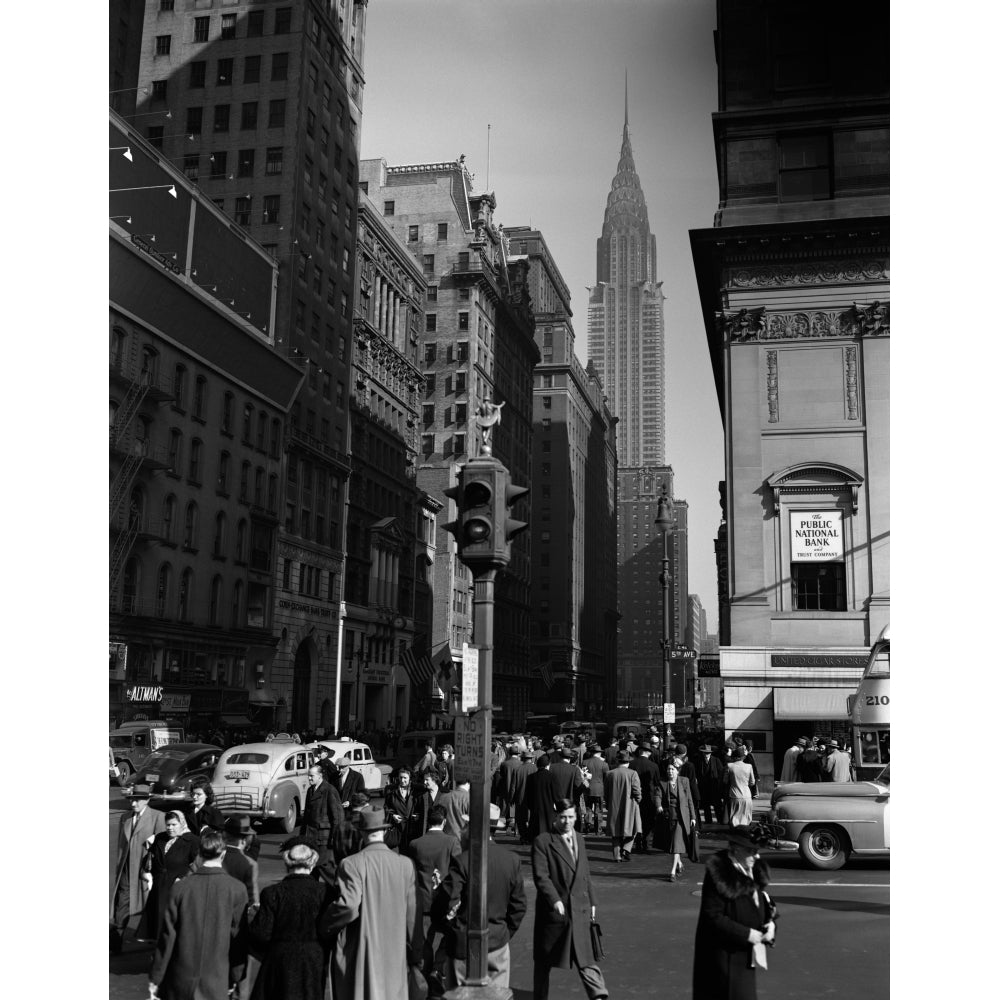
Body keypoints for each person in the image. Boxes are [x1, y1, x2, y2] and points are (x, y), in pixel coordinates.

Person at [319, 808, 419, 1000]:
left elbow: (348, 906)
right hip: (395, 948)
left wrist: (326, 926)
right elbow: (412, 914)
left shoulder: (351, 864)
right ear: (384, 831)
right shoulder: (405, 864)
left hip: (362, 949)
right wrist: (416, 952)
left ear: (362, 832)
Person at [435, 803, 527, 990]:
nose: (461, 831)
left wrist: (451, 929)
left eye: (465, 826)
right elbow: (518, 906)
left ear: (473, 829)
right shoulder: (510, 860)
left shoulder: (462, 862)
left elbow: (444, 902)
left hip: (464, 945)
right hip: (498, 943)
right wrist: (504, 932)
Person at [149, 829, 249, 1000]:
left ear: (200, 854)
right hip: (217, 977)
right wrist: (236, 975)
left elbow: (167, 936)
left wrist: (156, 975)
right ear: (223, 854)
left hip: (181, 975)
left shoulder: (180, 888)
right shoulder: (237, 889)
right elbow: (238, 938)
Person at [531, 799, 608, 1000]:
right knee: (544, 960)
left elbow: (585, 872)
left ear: (576, 816)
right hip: (555, 912)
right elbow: (541, 876)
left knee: (585, 956)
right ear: (556, 816)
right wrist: (554, 900)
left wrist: (592, 900)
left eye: (571, 817)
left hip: (580, 908)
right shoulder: (543, 841)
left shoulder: (580, 838)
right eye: (563, 817)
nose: (567, 821)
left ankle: (598, 994)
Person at [693, 826, 777, 1000]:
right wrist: (748, 934)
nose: (757, 856)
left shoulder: (753, 868)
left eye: (757, 851)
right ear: (736, 848)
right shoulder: (719, 873)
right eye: (752, 851)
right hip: (723, 960)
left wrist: (771, 925)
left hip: (745, 957)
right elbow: (712, 917)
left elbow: (765, 904)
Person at [249, 843, 329, 1000]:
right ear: (312, 863)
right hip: (313, 960)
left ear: (287, 863)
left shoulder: (272, 893)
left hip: (280, 959)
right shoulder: (324, 892)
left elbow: (262, 934)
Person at [407, 803, 460, 997]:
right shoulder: (452, 842)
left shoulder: (415, 844)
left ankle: (426, 972)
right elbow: (458, 869)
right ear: (444, 821)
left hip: (423, 899)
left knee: (424, 940)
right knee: (449, 937)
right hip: (445, 900)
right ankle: (438, 968)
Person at [110, 782, 166, 953]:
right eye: (131, 800)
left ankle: (157, 943)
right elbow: (121, 845)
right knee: (122, 905)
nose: (133, 803)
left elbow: (162, 846)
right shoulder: (125, 817)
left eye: (137, 800)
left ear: (146, 801)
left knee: (152, 906)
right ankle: (115, 944)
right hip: (126, 870)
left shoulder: (158, 817)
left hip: (145, 871)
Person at [141, 809, 200, 943]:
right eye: (168, 824)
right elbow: (151, 858)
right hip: (159, 885)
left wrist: (184, 878)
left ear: (182, 823)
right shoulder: (160, 838)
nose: (170, 828)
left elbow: (196, 865)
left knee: (174, 921)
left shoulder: (192, 841)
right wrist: (147, 872)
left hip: (178, 887)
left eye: (174, 824)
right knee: (158, 921)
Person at [652, 761, 698, 880]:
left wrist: (693, 817)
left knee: (676, 843)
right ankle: (679, 864)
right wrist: (658, 805)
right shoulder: (662, 782)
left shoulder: (684, 781)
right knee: (673, 843)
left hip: (683, 817)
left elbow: (689, 800)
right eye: (668, 769)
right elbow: (657, 795)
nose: (670, 771)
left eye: (673, 769)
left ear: (678, 770)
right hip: (669, 816)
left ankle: (672, 872)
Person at [301, 764, 345, 866]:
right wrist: (302, 836)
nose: (309, 778)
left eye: (312, 776)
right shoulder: (310, 790)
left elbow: (337, 817)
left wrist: (335, 837)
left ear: (320, 775)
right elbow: (306, 816)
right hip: (310, 837)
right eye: (308, 775)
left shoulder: (329, 790)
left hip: (324, 839)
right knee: (311, 868)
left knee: (325, 868)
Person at [605, 748, 641, 862]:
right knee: (634, 827)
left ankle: (617, 856)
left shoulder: (609, 774)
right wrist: (638, 799)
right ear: (628, 761)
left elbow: (606, 792)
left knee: (615, 831)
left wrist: (607, 803)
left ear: (618, 761)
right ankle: (626, 848)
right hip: (630, 805)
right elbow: (636, 791)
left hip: (614, 804)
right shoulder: (633, 773)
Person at [221, 815, 260, 910]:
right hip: (237, 912)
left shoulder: (213, 856)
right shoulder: (249, 864)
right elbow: (253, 900)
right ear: (245, 839)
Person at [629, 742, 660, 852]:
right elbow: (657, 783)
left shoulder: (631, 764)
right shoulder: (654, 766)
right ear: (648, 753)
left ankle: (637, 842)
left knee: (636, 820)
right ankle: (646, 843)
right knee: (648, 821)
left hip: (634, 797)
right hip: (649, 797)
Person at [525, 754, 561, 843]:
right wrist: (559, 807)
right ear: (547, 765)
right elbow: (557, 794)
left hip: (535, 807)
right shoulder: (552, 776)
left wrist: (530, 806)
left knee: (535, 826)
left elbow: (527, 795)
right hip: (548, 807)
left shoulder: (531, 777)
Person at [384, 766, 419, 853]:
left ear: (410, 778)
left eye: (405, 778)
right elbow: (386, 807)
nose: (402, 780)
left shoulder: (415, 790)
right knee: (402, 852)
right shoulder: (391, 791)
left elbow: (420, 806)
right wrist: (393, 816)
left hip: (413, 828)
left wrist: (418, 815)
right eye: (401, 777)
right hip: (399, 828)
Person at [693, 744, 727, 825]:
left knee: (717, 805)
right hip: (704, 787)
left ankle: (720, 820)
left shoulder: (716, 760)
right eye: (705, 753)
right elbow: (696, 773)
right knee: (706, 805)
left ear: (711, 753)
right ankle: (708, 821)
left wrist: (719, 784)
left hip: (714, 787)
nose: (706, 754)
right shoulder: (698, 761)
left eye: (708, 753)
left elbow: (721, 773)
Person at [583, 745, 608, 835]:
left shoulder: (585, 762)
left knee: (588, 808)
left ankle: (587, 826)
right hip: (599, 789)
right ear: (600, 753)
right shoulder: (604, 764)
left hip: (587, 788)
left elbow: (583, 777)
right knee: (598, 809)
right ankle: (598, 829)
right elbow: (606, 778)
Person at [727, 747, 755, 827]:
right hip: (747, 796)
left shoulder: (730, 766)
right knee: (746, 819)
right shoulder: (749, 766)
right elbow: (752, 782)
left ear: (734, 757)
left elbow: (725, 781)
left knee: (734, 819)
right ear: (743, 757)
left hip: (734, 795)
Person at [512, 749, 536, 843]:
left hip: (520, 797)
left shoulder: (518, 769)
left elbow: (513, 786)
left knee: (520, 819)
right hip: (532, 798)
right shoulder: (535, 768)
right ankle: (530, 836)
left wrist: (512, 798)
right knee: (531, 819)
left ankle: (524, 836)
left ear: (522, 758)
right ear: (531, 759)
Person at [437, 776, 471, 844]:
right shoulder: (470, 799)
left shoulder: (443, 797)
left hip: (445, 839)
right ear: (469, 782)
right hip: (462, 841)